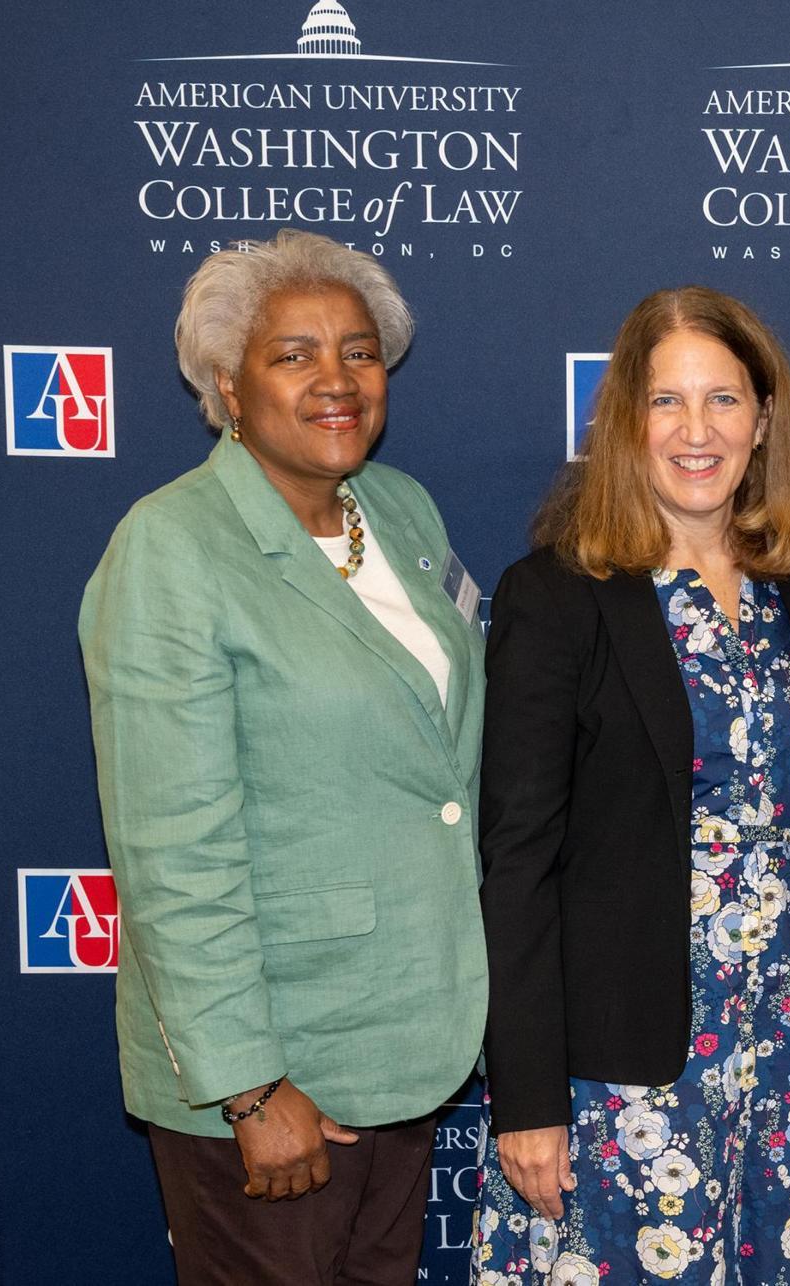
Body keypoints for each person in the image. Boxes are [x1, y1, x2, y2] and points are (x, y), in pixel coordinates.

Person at [78, 228, 489, 1283]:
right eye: (293, 354)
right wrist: (251, 1087)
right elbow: (174, 847)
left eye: (357, 351)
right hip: (272, 1075)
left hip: (402, 1038)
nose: (336, 380)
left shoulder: (398, 513)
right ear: (226, 381)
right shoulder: (172, 547)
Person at [473, 287, 790, 1285]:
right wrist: (527, 1094)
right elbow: (516, 859)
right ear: (624, 422)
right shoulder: (558, 594)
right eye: (666, 402)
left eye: (724, 400)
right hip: (629, 1060)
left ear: (764, 418)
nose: (698, 432)